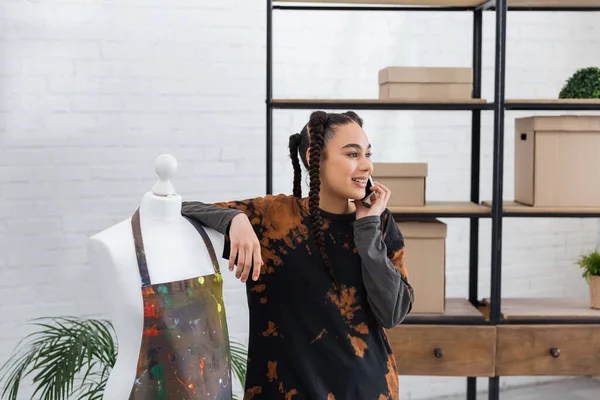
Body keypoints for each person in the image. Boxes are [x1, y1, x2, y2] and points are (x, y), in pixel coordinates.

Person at [181, 110, 414, 400]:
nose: (366, 165)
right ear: (312, 156)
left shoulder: (378, 222)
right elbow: (179, 209)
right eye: (353, 154)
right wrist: (233, 219)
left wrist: (367, 228)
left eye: (368, 154)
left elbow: (392, 313)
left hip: (367, 389)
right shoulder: (274, 219)